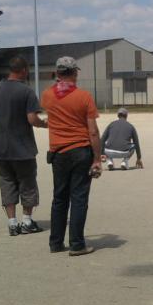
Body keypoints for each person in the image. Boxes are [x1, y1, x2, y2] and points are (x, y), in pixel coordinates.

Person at [41, 56, 103, 256]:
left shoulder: (47, 96)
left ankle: (56, 242)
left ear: (57, 73)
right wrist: (96, 158)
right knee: (78, 198)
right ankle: (77, 243)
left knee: (59, 198)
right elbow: (93, 131)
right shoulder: (84, 97)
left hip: (58, 152)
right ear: (75, 73)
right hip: (80, 150)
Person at [0, 56, 47, 237]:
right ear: (24, 70)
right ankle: (27, 220)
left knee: (6, 182)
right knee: (27, 183)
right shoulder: (26, 91)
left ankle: (12, 223)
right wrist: (43, 124)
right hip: (22, 147)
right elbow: (32, 119)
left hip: (0, 146)